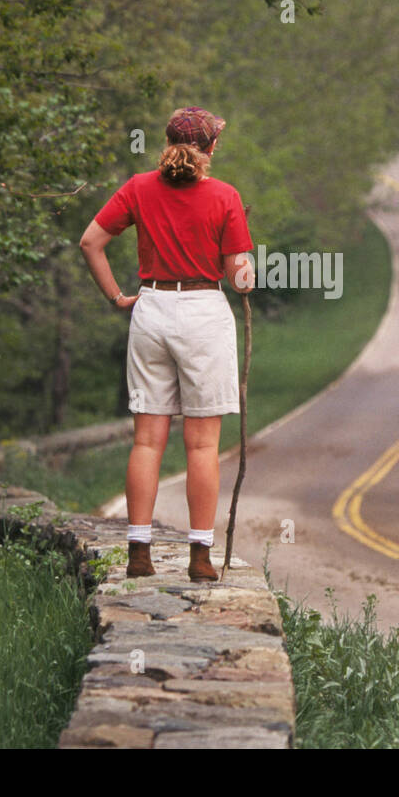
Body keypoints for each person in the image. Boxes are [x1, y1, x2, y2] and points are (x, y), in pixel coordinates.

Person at [79, 106, 254, 582]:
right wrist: (245, 258)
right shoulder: (224, 196)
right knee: (201, 445)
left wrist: (117, 296)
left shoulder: (138, 188)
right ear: (211, 146)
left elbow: (90, 242)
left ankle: (139, 552)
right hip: (202, 311)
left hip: (151, 308)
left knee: (147, 439)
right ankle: (200, 557)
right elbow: (240, 281)